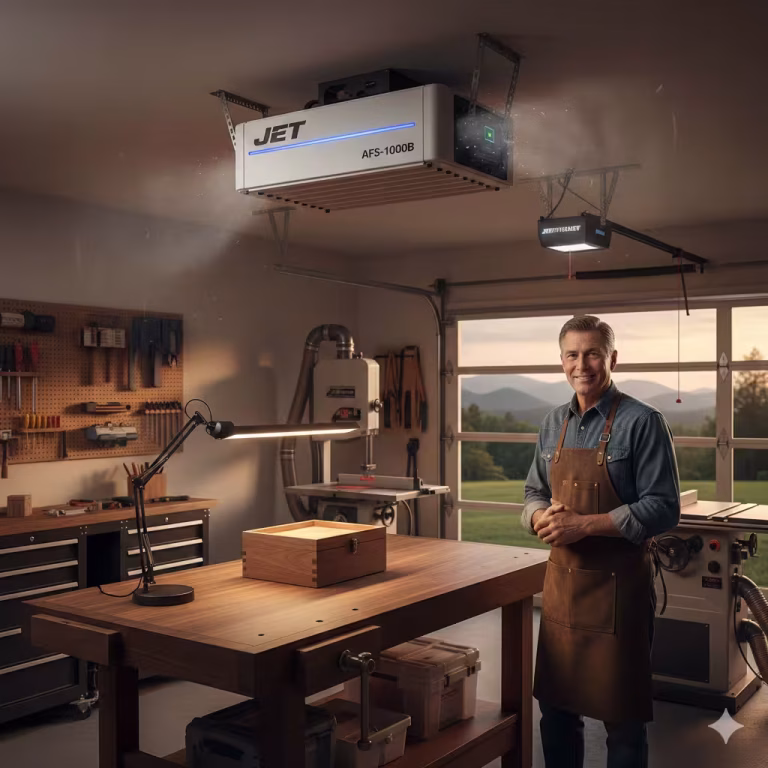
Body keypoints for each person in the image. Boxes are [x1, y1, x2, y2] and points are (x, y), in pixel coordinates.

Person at [522, 315, 681, 768]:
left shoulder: (643, 422)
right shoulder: (553, 423)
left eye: (592, 353)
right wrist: (539, 518)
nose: (582, 364)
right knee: (555, 714)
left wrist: (585, 525)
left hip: (620, 595)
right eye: (572, 354)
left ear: (612, 358)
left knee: (624, 724)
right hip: (561, 595)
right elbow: (532, 491)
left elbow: (664, 507)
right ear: (561, 361)